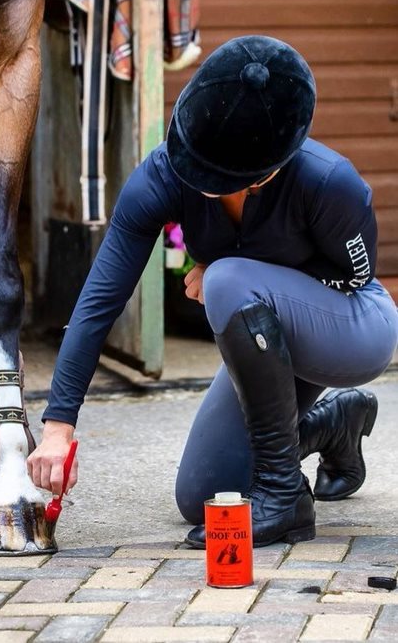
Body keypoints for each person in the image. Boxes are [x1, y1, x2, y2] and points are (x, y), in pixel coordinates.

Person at [26, 35, 398, 547]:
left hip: (354, 329)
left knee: (226, 279)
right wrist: (58, 424)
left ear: (266, 174)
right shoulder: (161, 176)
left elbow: (355, 279)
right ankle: (331, 424)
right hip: (266, 335)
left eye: (214, 174)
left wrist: (241, 269)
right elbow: (100, 301)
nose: (193, 177)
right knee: (203, 493)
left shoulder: (329, 182)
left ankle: (283, 495)